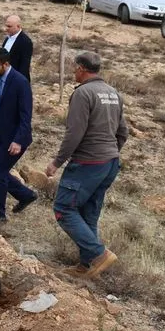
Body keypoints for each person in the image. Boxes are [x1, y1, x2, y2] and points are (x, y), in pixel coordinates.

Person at [44, 52, 128, 278]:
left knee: (63, 208)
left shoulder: (83, 93)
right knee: (88, 213)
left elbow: (74, 133)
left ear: (81, 68)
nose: (73, 71)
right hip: (109, 162)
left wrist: (57, 162)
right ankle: (86, 265)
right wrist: (110, 152)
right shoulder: (113, 93)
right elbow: (123, 132)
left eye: (74, 68)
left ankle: (98, 254)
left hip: (88, 162)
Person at [0, 48, 37, 221]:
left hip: (14, 138)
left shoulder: (20, 82)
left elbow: (26, 115)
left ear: (6, 64)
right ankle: (26, 195)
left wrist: (18, 141)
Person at [2, 15, 33, 81]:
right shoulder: (8, 38)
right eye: (6, 26)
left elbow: (24, 65)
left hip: (15, 79)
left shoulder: (25, 41)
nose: (6, 28)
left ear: (18, 26)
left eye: (9, 26)